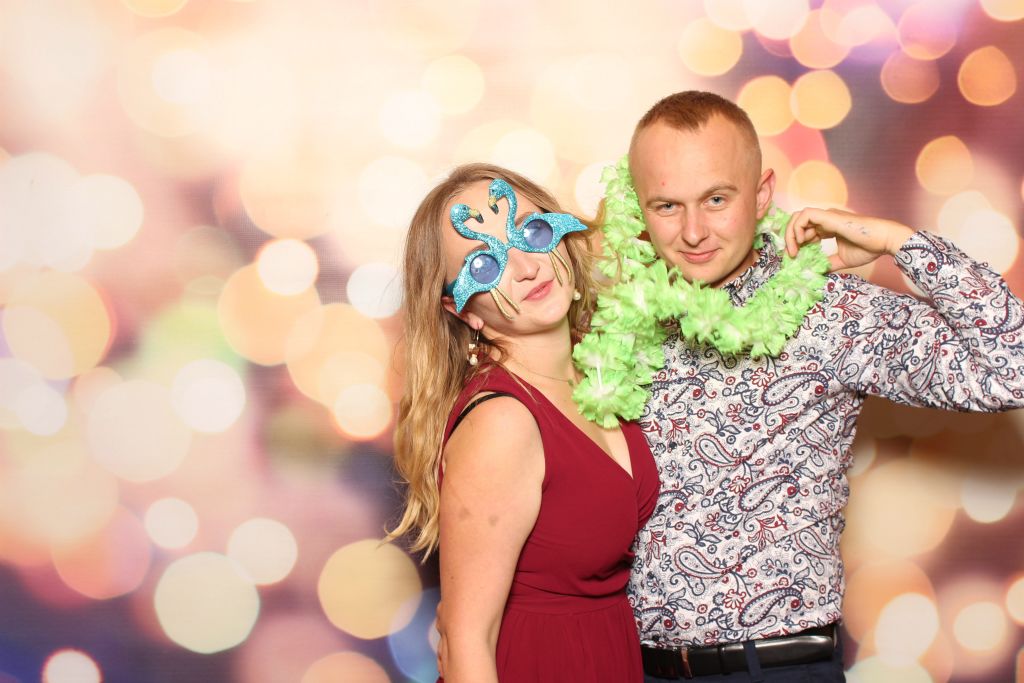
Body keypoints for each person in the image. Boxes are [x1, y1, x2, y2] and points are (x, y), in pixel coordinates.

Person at [577, 91, 1024, 681]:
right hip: (641, 667)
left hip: (779, 666)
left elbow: (1010, 368)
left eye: (716, 199)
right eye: (667, 206)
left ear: (761, 195)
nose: (693, 231)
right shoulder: (614, 322)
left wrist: (899, 242)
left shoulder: (827, 309)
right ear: (639, 207)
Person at [389, 163, 660, 682]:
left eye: (532, 232)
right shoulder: (502, 420)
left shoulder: (600, 373)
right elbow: (465, 639)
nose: (526, 267)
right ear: (463, 310)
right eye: (484, 265)